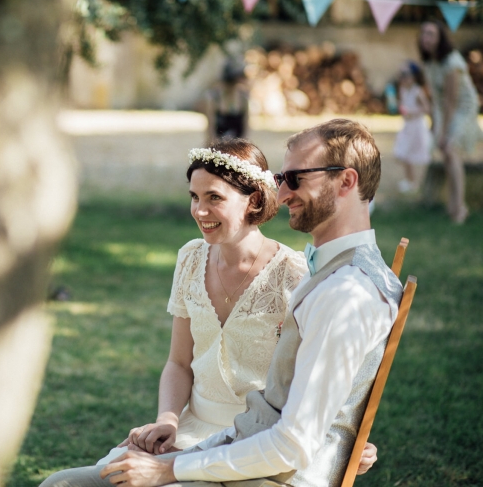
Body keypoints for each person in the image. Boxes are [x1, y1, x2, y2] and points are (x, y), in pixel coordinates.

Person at [41, 120, 390, 486]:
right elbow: (179, 361)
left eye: (214, 198)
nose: (199, 211)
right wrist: (167, 420)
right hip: (199, 432)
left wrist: (343, 434)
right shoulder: (192, 257)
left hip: (251, 444)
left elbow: (316, 391)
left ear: (254, 200)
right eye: (194, 196)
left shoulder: (311, 277)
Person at [419, 19, 481, 223]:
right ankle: (452, 204)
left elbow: (451, 101)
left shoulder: (452, 63)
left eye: (431, 34)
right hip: (443, 108)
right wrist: (434, 123)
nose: (426, 38)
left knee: (450, 149)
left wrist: (444, 132)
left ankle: (460, 208)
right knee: (446, 152)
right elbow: (437, 98)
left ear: (440, 38)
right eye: (424, 34)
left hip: (463, 108)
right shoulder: (429, 61)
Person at [393, 61, 432, 194]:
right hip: (408, 126)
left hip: (417, 127)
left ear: (414, 76)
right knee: (403, 153)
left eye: (405, 74)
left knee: (409, 153)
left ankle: (412, 182)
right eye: (401, 74)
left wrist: (412, 112)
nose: (402, 78)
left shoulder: (417, 91)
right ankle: (409, 180)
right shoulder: (403, 89)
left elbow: (427, 108)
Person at [205, 61, 250, 140]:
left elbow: (246, 127)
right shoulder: (215, 98)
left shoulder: (243, 98)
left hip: (237, 144)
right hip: (218, 144)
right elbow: (210, 128)